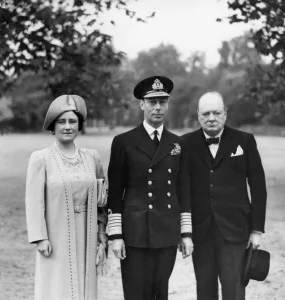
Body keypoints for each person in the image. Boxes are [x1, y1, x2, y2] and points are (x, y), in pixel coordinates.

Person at [107, 76, 193, 300]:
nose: (158, 107)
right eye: (152, 102)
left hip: (166, 230)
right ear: (141, 104)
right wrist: (116, 235)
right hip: (135, 233)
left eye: (162, 102)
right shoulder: (123, 142)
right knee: (136, 293)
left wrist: (186, 233)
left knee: (160, 292)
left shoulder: (178, 144)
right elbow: (115, 191)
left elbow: (183, 190)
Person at [182, 92, 267, 300]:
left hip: (236, 229)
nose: (211, 118)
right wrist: (184, 231)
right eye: (206, 113)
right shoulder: (185, 143)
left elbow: (258, 187)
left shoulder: (244, 141)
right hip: (200, 231)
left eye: (216, 112)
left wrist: (256, 230)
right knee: (205, 291)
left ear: (225, 114)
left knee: (234, 291)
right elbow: (181, 189)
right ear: (198, 115)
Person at [25, 95, 107, 300]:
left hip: (87, 234)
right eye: (61, 121)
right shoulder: (41, 158)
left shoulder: (92, 157)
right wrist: (40, 237)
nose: (67, 126)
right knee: (57, 286)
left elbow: (102, 200)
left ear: (79, 126)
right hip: (55, 235)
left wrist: (102, 232)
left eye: (72, 121)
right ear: (53, 126)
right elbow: (34, 201)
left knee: (84, 286)